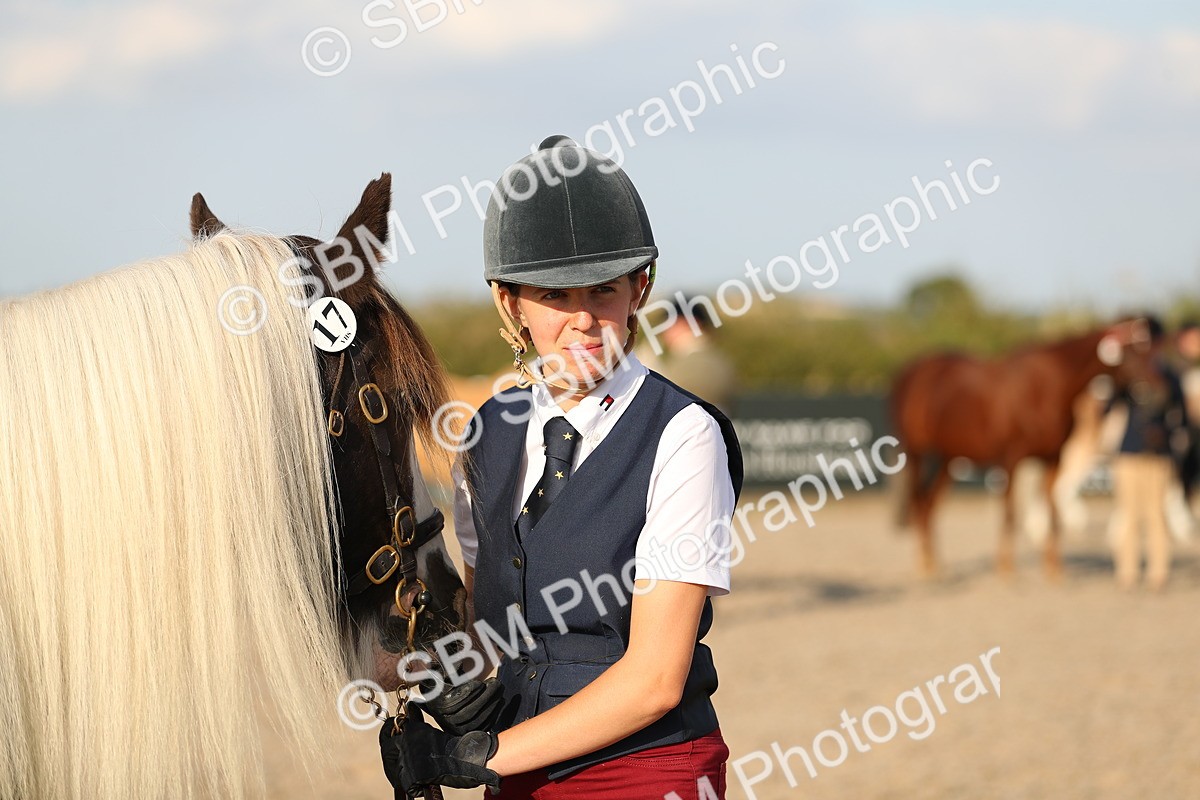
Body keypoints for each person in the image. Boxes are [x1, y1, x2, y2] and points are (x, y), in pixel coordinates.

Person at [379, 136, 742, 799]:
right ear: (509, 302)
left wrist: (478, 756)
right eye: (553, 294)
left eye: (603, 291)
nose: (582, 321)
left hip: (645, 771)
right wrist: (432, 680)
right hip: (516, 772)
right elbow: (486, 627)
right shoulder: (485, 435)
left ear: (639, 289)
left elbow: (657, 679)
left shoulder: (684, 434)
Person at [1107, 316, 1188, 591]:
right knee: (1128, 514)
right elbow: (1108, 407)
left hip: (1158, 454)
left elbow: (1181, 417)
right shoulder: (1127, 375)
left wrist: (1171, 442)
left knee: (1156, 514)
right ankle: (1127, 571)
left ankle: (1158, 571)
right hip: (1129, 452)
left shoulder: (1169, 375)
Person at [639, 297, 738, 416]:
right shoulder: (716, 358)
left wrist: (648, 375)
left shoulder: (697, 363)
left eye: (669, 324)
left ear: (688, 322)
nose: (665, 332)